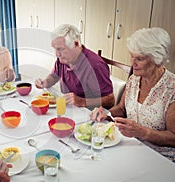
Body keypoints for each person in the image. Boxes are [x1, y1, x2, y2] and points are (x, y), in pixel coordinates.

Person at [90, 27, 175, 161]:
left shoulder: (171, 89)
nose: (132, 63)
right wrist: (107, 114)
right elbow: (122, 109)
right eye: (131, 56)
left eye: (139, 59)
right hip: (130, 147)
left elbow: (173, 138)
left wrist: (143, 132)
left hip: (159, 158)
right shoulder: (134, 79)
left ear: (158, 59)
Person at [35, 24, 115, 109]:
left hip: (89, 113)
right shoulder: (63, 59)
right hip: (68, 108)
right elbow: (54, 76)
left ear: (76, 44)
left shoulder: (95, 66)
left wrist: (81, 101)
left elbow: (110, 101)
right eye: (55, 49)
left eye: (60, 49)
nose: (56, 54)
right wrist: (45, 82)